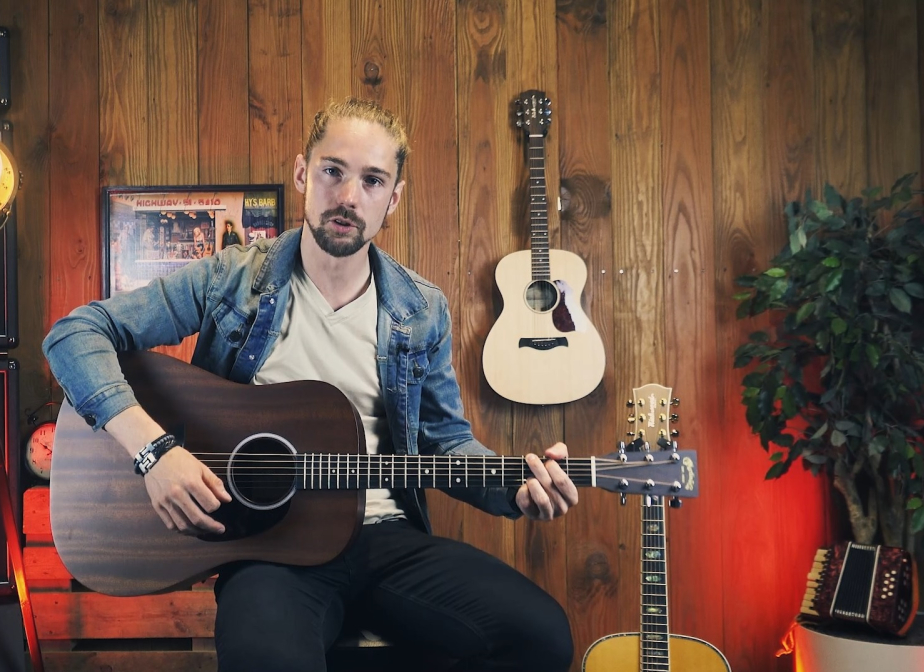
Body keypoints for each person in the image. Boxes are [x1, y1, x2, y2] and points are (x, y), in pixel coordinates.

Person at [43, 97, 577, 672]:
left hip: (385, 540)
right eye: (333, 171)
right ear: (302, 173)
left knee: (543, 638)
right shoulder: (233, 279)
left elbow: (446, 444)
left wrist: (514, 488)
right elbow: (74, 335)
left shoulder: (421, 309)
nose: (349, 196)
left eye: (372, 180)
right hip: (270, 551)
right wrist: (154, 452)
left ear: (393, 198)